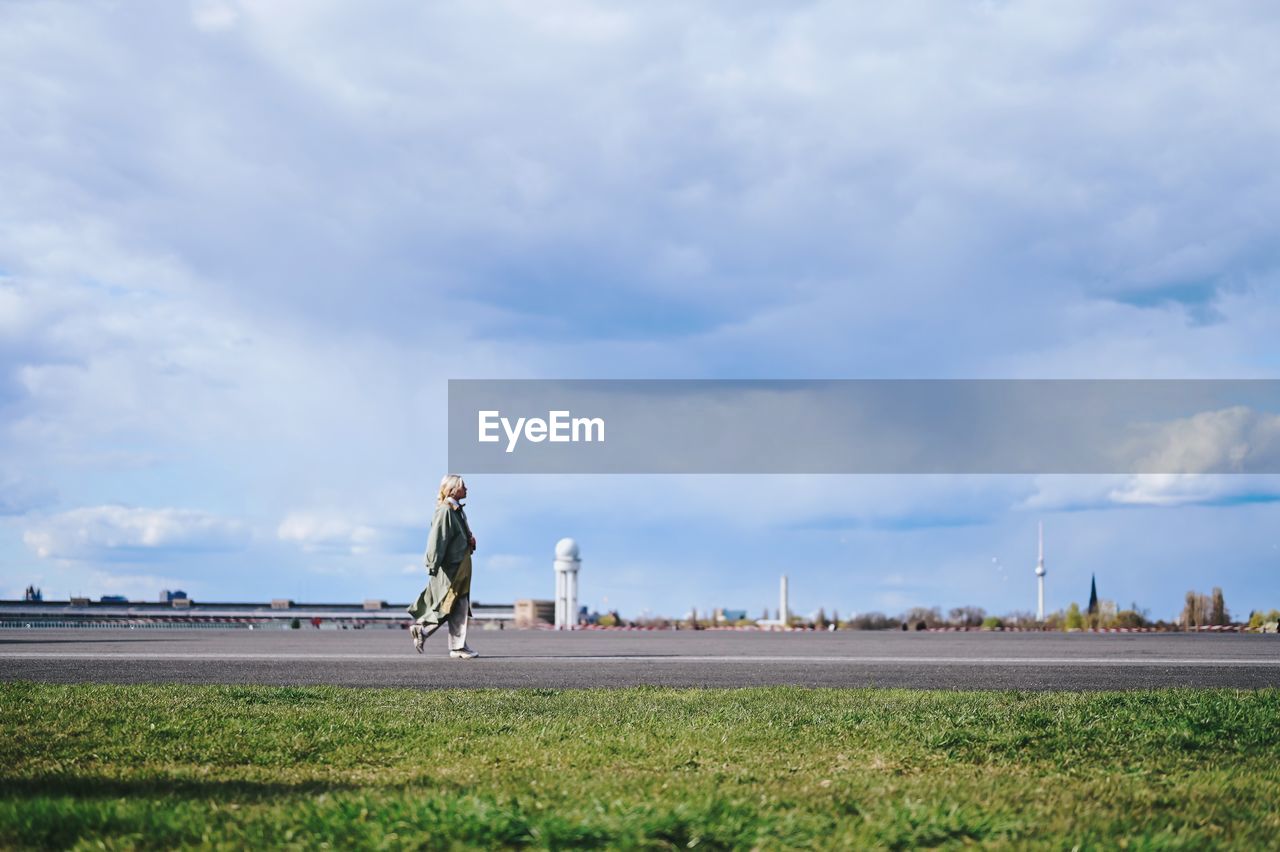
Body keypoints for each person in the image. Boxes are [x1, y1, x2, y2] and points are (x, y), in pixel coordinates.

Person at [407, 474, 479, 659]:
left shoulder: (456, 510)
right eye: (463, 486)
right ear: (453, 489)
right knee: (450, 605)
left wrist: (469, 540)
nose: (467, 489)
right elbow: (437, 539)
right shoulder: (445, 511)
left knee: (457, 606)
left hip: (461, 566)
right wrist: (432, 564)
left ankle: (454, 645)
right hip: (451, 569)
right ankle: (429, 633)